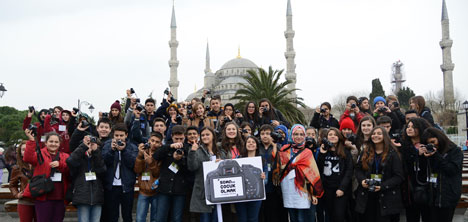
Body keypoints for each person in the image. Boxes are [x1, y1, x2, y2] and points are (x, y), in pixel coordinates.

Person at [273, 124, 323, 222]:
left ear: (304, 136)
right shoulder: (284, 150)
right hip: (288, 189)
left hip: (303, 190)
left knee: (302, 218)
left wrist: (313, 193)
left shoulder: (307, 152)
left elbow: (312, 174)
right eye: (296, 134)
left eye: (301, 134)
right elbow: (277, 169)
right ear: (291, 135)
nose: (298, 137)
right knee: (292, 217)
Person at [354, 127, 404, 222]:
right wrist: (362, 180)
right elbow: (358, 169)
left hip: (386, 196)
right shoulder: (365, 151)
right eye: (373, 133)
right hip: (367, 196)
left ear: (384, 136)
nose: (375, 136)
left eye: (379, 133)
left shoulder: (393, 153)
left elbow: (399, 176)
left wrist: (382, 186)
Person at [23, 131, 70, 222]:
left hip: (60, 197)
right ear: (46, 143)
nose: (53, 144)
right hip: (43, 197)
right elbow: (27, 158)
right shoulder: (40, 154)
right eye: (51, 141)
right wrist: (31, 140)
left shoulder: (65, 156)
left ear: (60, 144)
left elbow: (70, 171)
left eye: (56, 142)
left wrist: (60, 165)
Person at [420, 127, 463, 222]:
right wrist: (420, 157)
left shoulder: (455, 151)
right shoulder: (428, 153)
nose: (432, 145)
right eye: (428, 144)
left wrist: (436, 156)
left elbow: (451, 170)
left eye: (433, 142)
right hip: (430, 196)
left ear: (440, 138)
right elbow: (421, 173)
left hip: (447, 195)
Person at [101, 123, 138, 222]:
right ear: (113, 135)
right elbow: (104, 162)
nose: (119, 138)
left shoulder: (132, 147)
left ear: (126, 135)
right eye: (116, 135)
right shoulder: (107, 145)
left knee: (127, 216)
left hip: (126, 186)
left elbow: (133, 164)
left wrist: (124, 150)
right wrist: (112, 151)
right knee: (112, 216)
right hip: (111, 186)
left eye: (121, 135)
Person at [153, 125, 190, 222]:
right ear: (172, 137)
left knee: (176, 219)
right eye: (176, 138)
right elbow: (156, 156)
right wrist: (169, 146)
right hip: (164, 188)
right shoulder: (167, 147)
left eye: (181, 138)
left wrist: (179, 160)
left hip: (180, 189)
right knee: (160, 218)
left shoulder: (188, 149)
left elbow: (190, 168)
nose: (178, 141)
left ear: (184, 137)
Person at [66, 135, 107, 222]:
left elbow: (102, 171)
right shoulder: (80, 158)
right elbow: (70, 161)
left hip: (97, 197)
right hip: (82, 197)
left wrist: (96, 152)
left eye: (93, 144)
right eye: (89, 144)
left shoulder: (98, 158)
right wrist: (84, 147)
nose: (90, 146)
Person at [316, 128, 353, 222]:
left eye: (335, 135)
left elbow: (349, 171)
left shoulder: (345, 151)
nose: (332, 136)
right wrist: (322, 154)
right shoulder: (323, 150)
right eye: (330, 135)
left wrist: (342, 188)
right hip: (327, 188)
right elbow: (318, 168)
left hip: (340, 188)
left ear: (339, 137)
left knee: (339, 215)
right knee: (330, 214)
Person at [399, 118, 431, 222]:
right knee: (412, 215)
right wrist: (416, 154)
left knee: (428, 215)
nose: (409, 129)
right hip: (409, 186)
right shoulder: (403, 145)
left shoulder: (427, 143)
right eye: (408, 127)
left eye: (413, 127)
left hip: (426, 184)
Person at [187, 127, 219, 222]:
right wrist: (192, 151)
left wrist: (221, 163)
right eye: (203, 135)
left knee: (217, 218)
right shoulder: (197, 150)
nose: (205, 137)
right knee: (205, 219)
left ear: (213, 136)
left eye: (207, 134)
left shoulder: (220, 150)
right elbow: (192, 167)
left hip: (218, 191)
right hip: (203, 191)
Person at [258, 125, 288, 222]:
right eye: (262, 134)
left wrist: (274, 145)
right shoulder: (257, 147)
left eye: (267, 133)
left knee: (274, 214)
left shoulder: (280, 147)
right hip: (260, 186)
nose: (265, 136)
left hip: (275, 186)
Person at [235, 136, 266, 222]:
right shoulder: (238, 159)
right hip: (241, 195)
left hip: (256, 196)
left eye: (253, 142)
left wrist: (263, 177)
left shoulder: (262, 160)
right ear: (245, 145)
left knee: (253, 219)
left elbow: (266, 180)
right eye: (248, 142)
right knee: (242, 219)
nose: (251, 143)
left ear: (257, 146)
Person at [134, 132, 163, 222]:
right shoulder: (143, 151)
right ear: (148, 140)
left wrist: (151, 163)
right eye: (152, 140)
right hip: (143, 191)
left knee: (155, 219)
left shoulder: (161, 154)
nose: (154, 143)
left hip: (156, 191)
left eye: (157, 142)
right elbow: (137, 170)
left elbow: (157, 174)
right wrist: (140, 156)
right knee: (139, 219)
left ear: (160, 144)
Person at [9, 141, 35, 222]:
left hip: (40, 200)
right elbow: (12, 185)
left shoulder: (39, 165)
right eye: (23, 149)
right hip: (25, 201)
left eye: (28, 149)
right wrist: (16, 194)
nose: (26, 151)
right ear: (20, 153)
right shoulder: (17, 168)